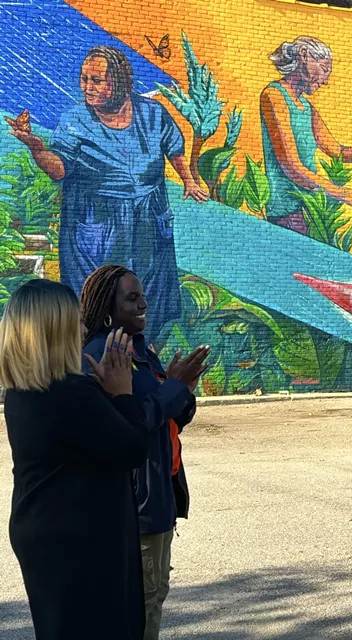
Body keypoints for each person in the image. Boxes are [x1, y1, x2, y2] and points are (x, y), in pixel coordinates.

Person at [6, 45, 208, 344]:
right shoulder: (75, 120)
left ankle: (144, 352)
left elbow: (173, 147)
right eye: (84, 79)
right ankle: (97, 356)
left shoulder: (152, 113)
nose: (88, 87)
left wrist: (189, 180)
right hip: (96, 223)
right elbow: (59, 169)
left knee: (148, 289)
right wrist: (37, 147)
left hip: (148, 218)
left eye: (97, 80)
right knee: (100, 292)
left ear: (121, 81)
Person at [1, 279, 148, 639]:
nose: (84, 329)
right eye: (77, 321)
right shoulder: (69, 394)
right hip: (81, 543)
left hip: (44, 533)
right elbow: (132, 449)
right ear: (56, 329)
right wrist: (122, 394)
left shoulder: (24, 392)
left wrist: (102, 396)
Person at [81, 265, 211, 640]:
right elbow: (130, 424)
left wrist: (181, 393)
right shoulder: (101, 356)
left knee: (153, 598)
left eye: (143, 296)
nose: (144, 304)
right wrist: (172, 389)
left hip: (159, 499)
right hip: (134, 508)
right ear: (108, 307)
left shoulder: (138, 350)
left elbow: (165, 419)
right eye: (132, 298)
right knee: (141, 607)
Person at [260, 36, 352, 233]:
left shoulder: (307, 108)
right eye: (325, 69)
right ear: (304, 56)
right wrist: (343, 194)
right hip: (286, 212)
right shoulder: (274, 96)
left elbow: (337, 151)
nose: (325, 81)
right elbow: (290, 166)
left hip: (310, 208)